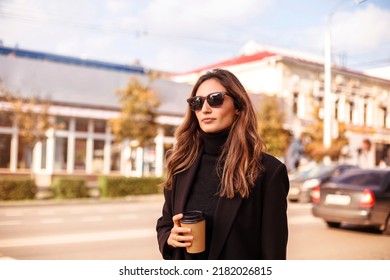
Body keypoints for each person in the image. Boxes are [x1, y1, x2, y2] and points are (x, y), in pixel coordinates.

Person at [156, 68, 289, 260]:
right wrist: (170, 238)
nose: (205, 109)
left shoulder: (268, 171)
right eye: (197, 102)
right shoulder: (181, 163)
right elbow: (165, 222)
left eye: (215, 99)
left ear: (238, 107)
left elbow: (273, 256)